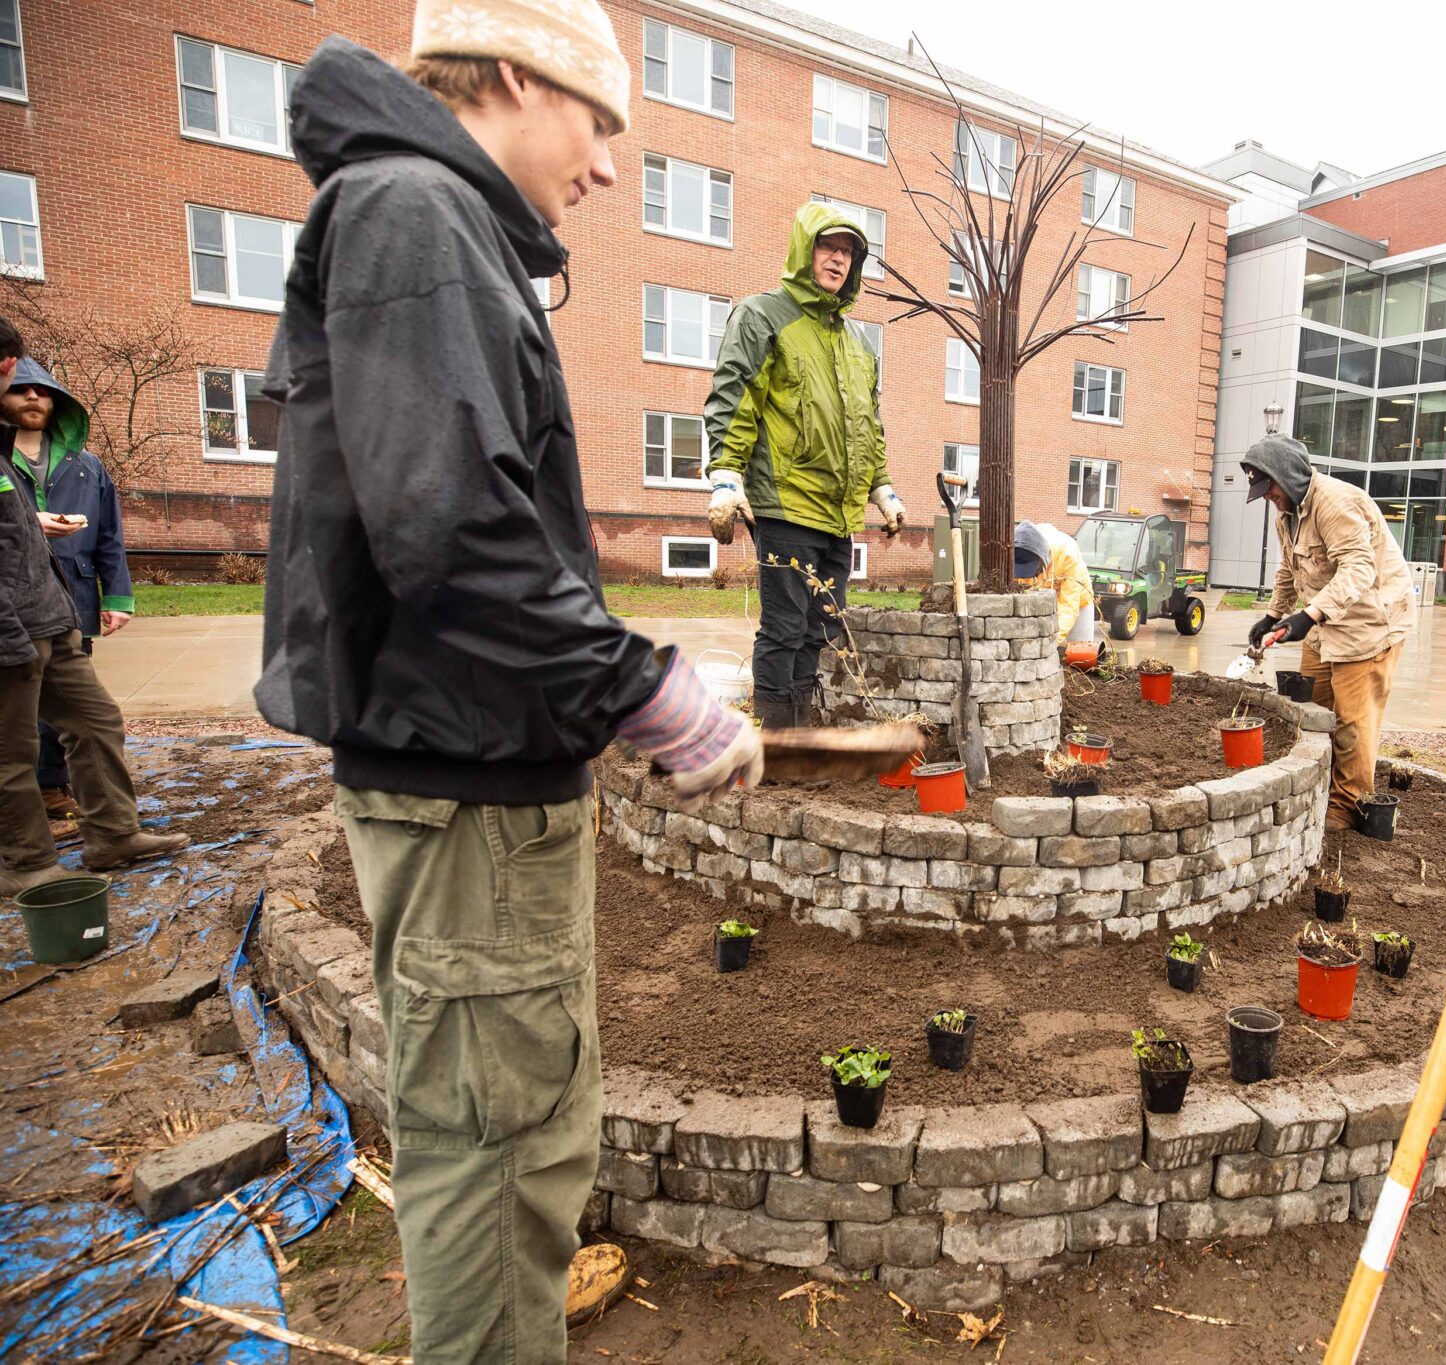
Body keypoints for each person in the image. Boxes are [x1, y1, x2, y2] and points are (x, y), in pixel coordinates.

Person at [255, 6, 761, 1359]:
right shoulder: (417, 216)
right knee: (494, 1158)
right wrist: (642, 690)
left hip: (473, 770)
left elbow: (461, 511)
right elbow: (456, 534)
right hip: (462, 785)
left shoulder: (426, 222)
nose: (606, 167)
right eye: (601, 123)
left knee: (517, 1135)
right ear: (516, 79)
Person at [0, 318, 188, 894]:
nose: (22, 383)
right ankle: (26, 863)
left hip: (51, 612)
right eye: (8, 373)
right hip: (10, 623)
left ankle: (112, 834)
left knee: (95, 720)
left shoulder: (73, 461)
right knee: (13, 748)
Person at [704, 203, 907, 728]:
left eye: (848, 253)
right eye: (828, 247)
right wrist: (725, 476)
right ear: (804, 250)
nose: (838, 260)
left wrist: (881, 487)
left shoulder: (858, 342)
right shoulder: (763, 316)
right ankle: (778, 740)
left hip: (838, 515)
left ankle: (799, 733)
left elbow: (868, 425)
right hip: (786, 504)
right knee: (784, 628)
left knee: (820, 629)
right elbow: (735, 398)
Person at [1241, 434, 1413, 831]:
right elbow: (1289, 567)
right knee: (1315, 710)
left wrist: (1309, 615)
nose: (1269, 498)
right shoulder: (1288, 512)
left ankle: (1347, 807)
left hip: (1368, 626)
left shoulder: (1336, 504)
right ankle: (1322, 787)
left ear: (1289, 476)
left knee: (1353, 721)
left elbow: (1358, 569)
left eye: (1270, 489)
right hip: (1324, 623)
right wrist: (1273, 615)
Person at [2, 358, 135, 822]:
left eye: (41, 390)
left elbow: (109, 536)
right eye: (20, 389)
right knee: (21, 712)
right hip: (13, 602)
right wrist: (27, 523)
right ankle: (38, 800)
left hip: (71, 597)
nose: (32, 397)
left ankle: (61, 789)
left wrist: (117, 597)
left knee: (79, 709)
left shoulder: (86, 467)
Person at [1013, 520, 1099, 666]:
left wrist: (1049, 641)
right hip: (1042, 602)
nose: (1032, 575)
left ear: (1043, 557)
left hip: (1078, 602)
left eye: (1034, 569)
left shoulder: (1067, 553)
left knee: (1081, 657)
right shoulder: (1019, 549)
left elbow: (1068, 606)